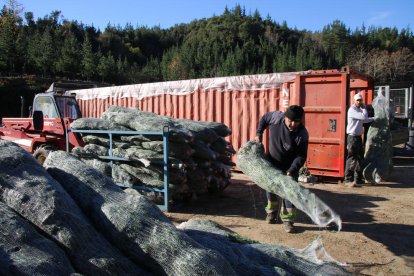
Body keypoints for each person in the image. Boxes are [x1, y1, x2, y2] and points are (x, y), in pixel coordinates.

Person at [255, 105, 309, 233]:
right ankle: (271, 213)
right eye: (289, 120)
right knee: (271, 189)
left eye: (296, 121)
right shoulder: (276, 117)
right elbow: (264, 119)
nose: (292, 124)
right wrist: (259, 133)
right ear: (285, 117)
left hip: (290, 166)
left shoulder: (302, 133)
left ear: (300, 121)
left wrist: (292, 170)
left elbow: (301, 156)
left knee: (289, 193)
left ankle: (288, 220)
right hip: (272, 162)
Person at [344, 93, 375, 187]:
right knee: (352, 158)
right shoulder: (352, 110)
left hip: (357, 137)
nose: (359, 102)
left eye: (360, 100)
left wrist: (374, 119)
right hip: (352, 138)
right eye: (357, 100)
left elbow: (364, 120)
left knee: (360, 158)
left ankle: (358, 179)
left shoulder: (358, 110)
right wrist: (364, 108)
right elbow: (363, 117)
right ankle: (348, 179)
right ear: (354, 101)